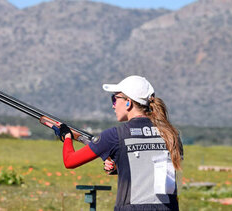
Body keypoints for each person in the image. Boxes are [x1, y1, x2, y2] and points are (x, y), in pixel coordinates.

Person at [56, 75, 183, 211]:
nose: (113, 105)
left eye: (115, 99)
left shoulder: (115, 135)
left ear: (128, 102)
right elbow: (157, 171)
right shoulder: (171, 135)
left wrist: (67, 137)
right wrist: (118, 166)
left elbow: (70, 161)